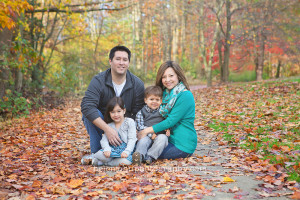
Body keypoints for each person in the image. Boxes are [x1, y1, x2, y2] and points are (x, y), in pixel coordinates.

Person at [81, 45, 144, 164]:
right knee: (89, 114)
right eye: (118, 59)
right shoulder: (98, 81)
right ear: (110, 61)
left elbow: (138, 112)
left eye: (125, 60)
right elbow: (87, 105)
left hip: (125, 128)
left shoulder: (137, 84)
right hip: (103, 126)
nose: (121, 63)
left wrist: (131, 131)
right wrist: (108, 129)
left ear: (129, 63)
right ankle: (98, 152)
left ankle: (103, 159)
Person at [137, 61, 197, 160]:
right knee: (140, 146)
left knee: (144, 152)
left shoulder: (185, 95)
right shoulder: (164, 93)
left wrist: (145, 131)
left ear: (178, 76)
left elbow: (170, 121)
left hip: (181, 144)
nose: (167, 80)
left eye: (171, 76)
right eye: (164, 77)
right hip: (164, 137)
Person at [91, 97, 137, 166]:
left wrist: (127, 152)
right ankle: (104, 160)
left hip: (125, 151)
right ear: (109, 113)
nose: (116, 115)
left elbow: (132, 139)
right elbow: (104, 140)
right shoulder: (109, 125)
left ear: (124, 111)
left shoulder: (129, 122)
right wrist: (107, 149)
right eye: (112, 112)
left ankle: (105, 163)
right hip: (112, 151)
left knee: (126, 161)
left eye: (119, 111)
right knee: (99, 154)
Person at [133, 86, 170, 165]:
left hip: (160, 135)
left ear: (161, 101)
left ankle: (150, 157)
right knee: (143, 141)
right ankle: (139, 156)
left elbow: (168, 122)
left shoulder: (163, 111)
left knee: (163, 139)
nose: (154, 102)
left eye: (157, 99)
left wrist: (168, 129)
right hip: (146, 134)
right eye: (151, 99)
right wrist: (151, 135)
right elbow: (140, 127)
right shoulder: (141, 112)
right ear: (145, 100)